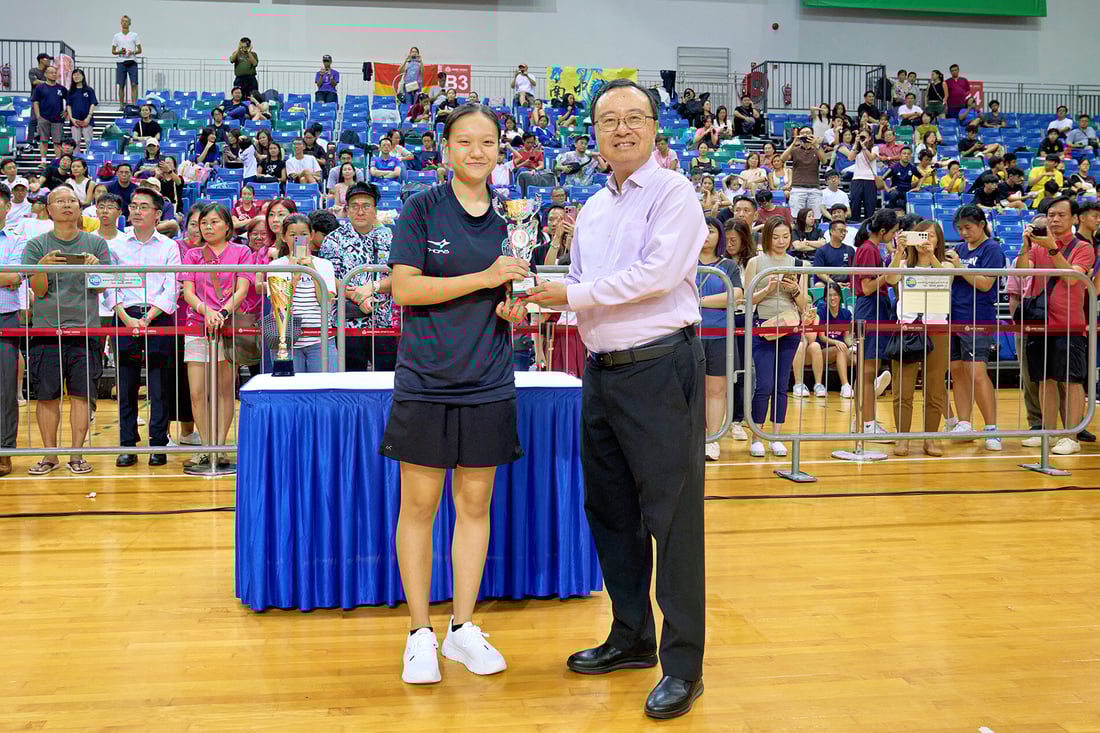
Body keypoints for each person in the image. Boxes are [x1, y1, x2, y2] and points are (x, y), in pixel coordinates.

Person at [523, 79, 706, 720]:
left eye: (634, 117)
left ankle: (683, 666)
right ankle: (631, 636)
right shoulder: (594, 208)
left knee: (672, 520)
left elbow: (657, 276)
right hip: (601, 372)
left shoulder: (674, 193)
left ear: (654, 127)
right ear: (595, 134)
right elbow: (579, 284)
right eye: (609, 120)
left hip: (659, 367)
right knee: (611, 511)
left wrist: (567, 297)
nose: (622, 128)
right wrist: (536, 303)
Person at [377, 104, 527, 685]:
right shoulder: (421, 208)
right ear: (446, 149)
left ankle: (462, 628)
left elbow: (505, 299)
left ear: (499, 151)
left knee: (475, 506)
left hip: (489, 380)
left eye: (487, 142)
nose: (476, 151)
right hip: (427, 379)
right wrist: (484, 279)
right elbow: (405, 289)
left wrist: (514, 307)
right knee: (419, 507)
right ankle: (419, 633)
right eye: (465, 141)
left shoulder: (510, 217)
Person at [21, 187, 109, 475]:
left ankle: (77, 455)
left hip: (86, 330)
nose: (67, 205)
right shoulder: (36, 245)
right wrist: (41, 267)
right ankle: (50, 455)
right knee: (47, 396)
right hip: (47, 331)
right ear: (49, 209)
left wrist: (96, 269)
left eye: (72, 200)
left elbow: (101, 289)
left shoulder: (96, 244)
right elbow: (39, 291)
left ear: (80, 208)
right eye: (60, 201)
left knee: (82, 395)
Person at [105, 186, 180, 467]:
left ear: (157, 214)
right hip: (125, 316)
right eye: (134, 206)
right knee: (126, 383)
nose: (137, 211)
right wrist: (126, 317)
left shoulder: (169, 246)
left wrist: (149, 316)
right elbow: (109, 284)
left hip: (158, 316)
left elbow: (172, 286)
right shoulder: (117, 245)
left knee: (159, 384)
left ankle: (158, 443)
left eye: (144, 207)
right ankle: (127, 444)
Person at [1016, 198, 1093, 456]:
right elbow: (1022, 272)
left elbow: (1072, 279)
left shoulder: (1083, 248)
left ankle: (1071, 436)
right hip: (1040, 324)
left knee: (1070, 381)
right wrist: (1025, 247)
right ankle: (1047, 433)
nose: (1055, 219)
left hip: (1069, 325)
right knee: (1045, 380)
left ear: (1074, 219)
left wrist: (1052, 250)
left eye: (1061, 215)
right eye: (1051, 215)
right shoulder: (1038, 247)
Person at [178, 202, 252, 472]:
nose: (207, 228)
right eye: (203, 223)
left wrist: (221, 312)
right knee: (197, 392)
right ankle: (206, 446)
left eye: (214, 222)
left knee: (224, 390)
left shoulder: (242, 252)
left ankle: (219, 447)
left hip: (228, 327)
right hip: (197, 326)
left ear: (228, 226)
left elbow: (242, 289)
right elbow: (188, 292)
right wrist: (206, 310)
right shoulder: (193, 255)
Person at [887, 219, 952, 457]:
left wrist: (932, 256)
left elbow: (947, 279)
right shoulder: (903, 264)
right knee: (902, 390)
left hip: (937, 330)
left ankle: (930, 439)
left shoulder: (946, 263)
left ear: (939, 240)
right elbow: (890, 280)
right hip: (907, 329)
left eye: (931, 236)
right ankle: (902, 438)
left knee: (934, 389)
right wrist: (899, 252)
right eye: (922, 236)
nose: (927, 240)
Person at [943, 205, 1004, 451]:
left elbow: (986, 284)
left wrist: (960, 267)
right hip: (954, 317)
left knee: (977, 373)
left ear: (981, 225)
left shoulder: (992, 249)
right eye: (960, 229)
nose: (963, 233)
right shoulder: (958, 249)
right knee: (957, 372)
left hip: (978, 319)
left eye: (968, 227)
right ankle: (964, 424)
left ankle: (992, 428)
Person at [319, 182, 396, 371]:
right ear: (347, 209)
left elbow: (400, 275)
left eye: (366, 206)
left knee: (387, 377)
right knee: (352, 378)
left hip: (384, 322)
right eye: (354, 206)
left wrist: (374, 287)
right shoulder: (333, 240)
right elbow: (329, 277)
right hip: (348, 323)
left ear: (375, 210)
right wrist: (357, 296)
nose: (360, 211)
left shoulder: (389, 239)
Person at [260, 214, 338, 372]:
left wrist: (312, 270)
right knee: (291, 386)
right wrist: (293, 275)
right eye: (293, 235)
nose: (299, 239)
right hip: (288, 341)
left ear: (311, 235)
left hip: (321, 339)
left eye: (303, 234)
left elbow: (325, 301)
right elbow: (280, 306)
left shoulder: (325, 265)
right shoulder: (276, 266)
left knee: (325, 385)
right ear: (284, 237)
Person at [852, 210, 903, 439]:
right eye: (893, 232)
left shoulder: (873, 249)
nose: (893, 236)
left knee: (868, 370)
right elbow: (866, 288)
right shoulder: (868, 249)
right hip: (870, 308)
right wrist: (889, 272)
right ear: (883, 231)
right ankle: (867, 423)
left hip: (876, 307)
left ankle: (862, 421)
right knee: (867, 371)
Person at [696, 218, 742, 461]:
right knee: (689, 390)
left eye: (711, 231)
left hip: (720, 335)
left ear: (720, 235)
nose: (706, 235)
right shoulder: (685, 262)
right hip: (688, 336)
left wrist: (699, 301)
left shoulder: (728, 265)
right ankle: (692, 439)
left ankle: (712, 439)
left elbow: (735, 295)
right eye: (702, 230)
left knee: (716, 390)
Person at [0, 184, 25, 476]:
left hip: (5, 316)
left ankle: (4, 450)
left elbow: (14, 277)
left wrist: (8, 276)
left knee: (5, 387)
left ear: (8, 207)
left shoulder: (18, 240)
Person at [780, 126, 827, 218]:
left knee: (815, 217)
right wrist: (793, 143)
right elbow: (782, 159)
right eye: (802, 133)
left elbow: (824, 161)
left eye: (808, 133)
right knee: (796, 217)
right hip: (798, 188)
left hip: (814, 188)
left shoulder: (817, 149)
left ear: (812, 135)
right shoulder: (795, 149)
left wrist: (816, 144)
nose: (805, 135)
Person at [31, 65, 67, 164]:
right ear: (46, 74)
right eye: (51, 72)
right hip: (44, 118)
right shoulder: (40, 88)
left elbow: (69, 101)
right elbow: (35, 102)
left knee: (57, 142)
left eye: (55, 72)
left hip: (58, 119)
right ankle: (43, 161)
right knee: (43, 141)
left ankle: (58, 162)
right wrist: (38, 116)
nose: (54, 74)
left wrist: (66, 112)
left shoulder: (61, 88)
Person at [844, 128, 879, 221]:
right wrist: (856, 143)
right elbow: (850, 158)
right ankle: (854, 222)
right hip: (857, 178)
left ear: (870, 138)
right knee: (855, 203)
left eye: (864, 136)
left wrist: (864, 147)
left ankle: (869, 224)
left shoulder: (874, 148)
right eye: (861, 136)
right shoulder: (857, 148)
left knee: (870, 204)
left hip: (870, 179)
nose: (862, 138)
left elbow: (871, 158)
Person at [111, 15, 142, 108]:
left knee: (134, 84)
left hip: (132, 62)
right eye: (123, 21)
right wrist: (120, 52)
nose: (125, 23)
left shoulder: (134, 35)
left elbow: (140, 50)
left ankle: (134, 105)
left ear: (130, 23)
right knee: (121, 84)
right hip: (121, 62)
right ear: (121, 23)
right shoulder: (116, 36)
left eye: (126, 21)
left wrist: (132, 52)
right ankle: (121, 105)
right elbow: (113, 51)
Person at [66, 69, 97, 155]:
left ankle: (90, 158)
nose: (76, 76)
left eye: (78, 74)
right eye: (74, 75)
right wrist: (72, 119)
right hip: (75, 120)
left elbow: (93, 103)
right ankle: (76, 158)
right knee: (76, 141)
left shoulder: (89, 90)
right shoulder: (70, 91)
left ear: (83, 76)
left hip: (87, 120)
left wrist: (88, 117)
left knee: (88, 140)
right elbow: (68, 105)